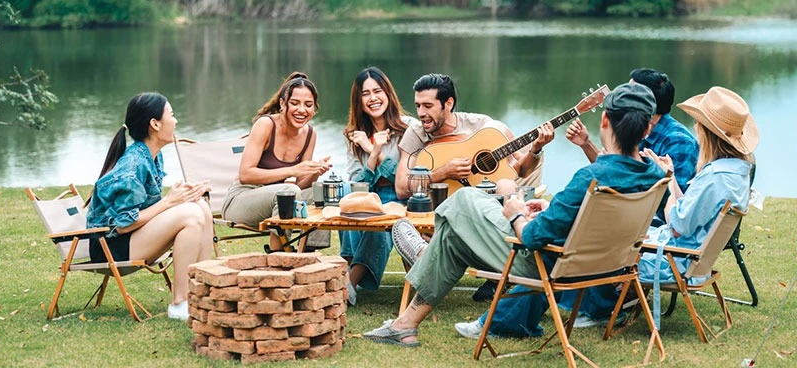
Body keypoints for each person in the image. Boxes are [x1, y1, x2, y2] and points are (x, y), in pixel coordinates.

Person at [363, 83, 666, 347]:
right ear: (647, 128)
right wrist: (548, 208)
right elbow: (593, 220)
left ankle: (424, 255)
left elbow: (533, 238)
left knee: (465, 200)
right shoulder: (654, 174)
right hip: (601, 267)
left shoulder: (592, 176)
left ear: (604, 120)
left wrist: (512, 203)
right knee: (455, 234)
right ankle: (404, 326)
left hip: (544, 265)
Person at [393, 73, 555, 302]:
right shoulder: (417, 133)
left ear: (448, 104)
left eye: (428, 106)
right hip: (439, 208)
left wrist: (536, 148)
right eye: (418, 105)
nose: (421, 113)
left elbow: (522, 170)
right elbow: (401, 187)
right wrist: (443, 172)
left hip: (485, 209)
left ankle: (503, 272)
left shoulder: (483, 126)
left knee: (506, 183)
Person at [86, 92, 213, 321]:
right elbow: (124, 225)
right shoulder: (133, 164)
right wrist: (170, 201)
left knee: (199, 205)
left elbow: (144, 207)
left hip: (127, 239)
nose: (176, 121)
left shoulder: (152, 156)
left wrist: (184, 195)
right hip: (110, 246)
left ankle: (201, 294)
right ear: (155, 124)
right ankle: (179, 303)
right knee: (191, 216)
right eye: (172, 115)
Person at [639, 86, 757, 286]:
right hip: (691, 260)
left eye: (698, 123)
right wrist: (671, 175)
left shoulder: (714, 177)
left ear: (705, 131)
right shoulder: (737, 171)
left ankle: (600, 311)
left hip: (674, 263)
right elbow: (686, 208)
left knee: (609, 248)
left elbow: (677, 226)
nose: (695, 127)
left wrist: (664, 183)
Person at [222, 72, 332, 251]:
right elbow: (245, 174)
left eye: (308, 105)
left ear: (314, 108)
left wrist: (313, 173)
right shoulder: (266, 125)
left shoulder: (310, 134)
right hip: (242, 199)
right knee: (287, 192)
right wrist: (293, 170)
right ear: (283, 104)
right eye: (295, 103)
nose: (302, 110)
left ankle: (308, 253)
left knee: (320, 193)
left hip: (281, 202)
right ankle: (278, 255)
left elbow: (300, 187)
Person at [342, 67, 418, 305]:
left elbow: (408, 180)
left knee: (382, 218)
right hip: (370, 198)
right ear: (359, 100)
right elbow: (359, 185)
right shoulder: (354, 135)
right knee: (347, 193)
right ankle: (348, 269)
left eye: (378, 91)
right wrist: (372, 152)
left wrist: (374, 152)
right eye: (366, 94)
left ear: (388, 93)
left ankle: (347, 284)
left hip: (402, 198)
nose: (373, 98)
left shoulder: (409, 128)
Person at [566, 68, 698, 199]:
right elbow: (615, 172)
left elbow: (675, 202)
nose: (624, 94)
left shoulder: (679, 142)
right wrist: (586, 144)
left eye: (630, 91)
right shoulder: (636, 126)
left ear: (645, 101)